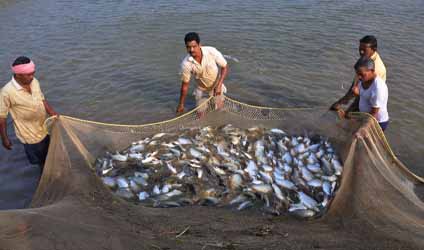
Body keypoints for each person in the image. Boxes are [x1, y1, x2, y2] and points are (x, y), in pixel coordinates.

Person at [0, 56, 58, 173]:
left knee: (50, 154)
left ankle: (50, 171)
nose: (32, 77)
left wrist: (52, 112)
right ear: (18, 75)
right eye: (29, 74)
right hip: (30, 136)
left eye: (33, 73)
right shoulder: (7, 92)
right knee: (41, 162)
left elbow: (41, 99)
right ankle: (44, 177)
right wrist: (4, 138)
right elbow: (2, 117)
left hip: (44, 128)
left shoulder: (34, 81)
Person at [330, 35, 386, 114]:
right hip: (362, 97)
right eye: (360, 49)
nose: (361, 52)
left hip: (369, 106)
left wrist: (347, 108)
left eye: (364, 50)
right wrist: (341, 102)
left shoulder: (376, 69)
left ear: (374, 49)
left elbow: (365, 93)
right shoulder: (366, 58)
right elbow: (356, 84)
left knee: (346, 118)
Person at [176, 32, 229, 114]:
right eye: (188, 47)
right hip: (201, 89)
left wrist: (219, 85)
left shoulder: (211, 51)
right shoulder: (186, 64)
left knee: (220, 110)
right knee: (200, 113)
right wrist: (181, 104)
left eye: (194, 46)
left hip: (216, 86)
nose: (191, 50)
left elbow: (224, 67)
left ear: (199, 44)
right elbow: (185, 86)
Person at [339, 57, 389, 131]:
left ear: (372, 71)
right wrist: (347, 113)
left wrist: (362, 128)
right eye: (357, 74)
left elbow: (374, 113)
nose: (359, 77)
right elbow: (361, 98)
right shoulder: (363, 80)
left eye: (362, 74)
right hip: (364, 117)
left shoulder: (378, 88)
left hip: (377, 122)